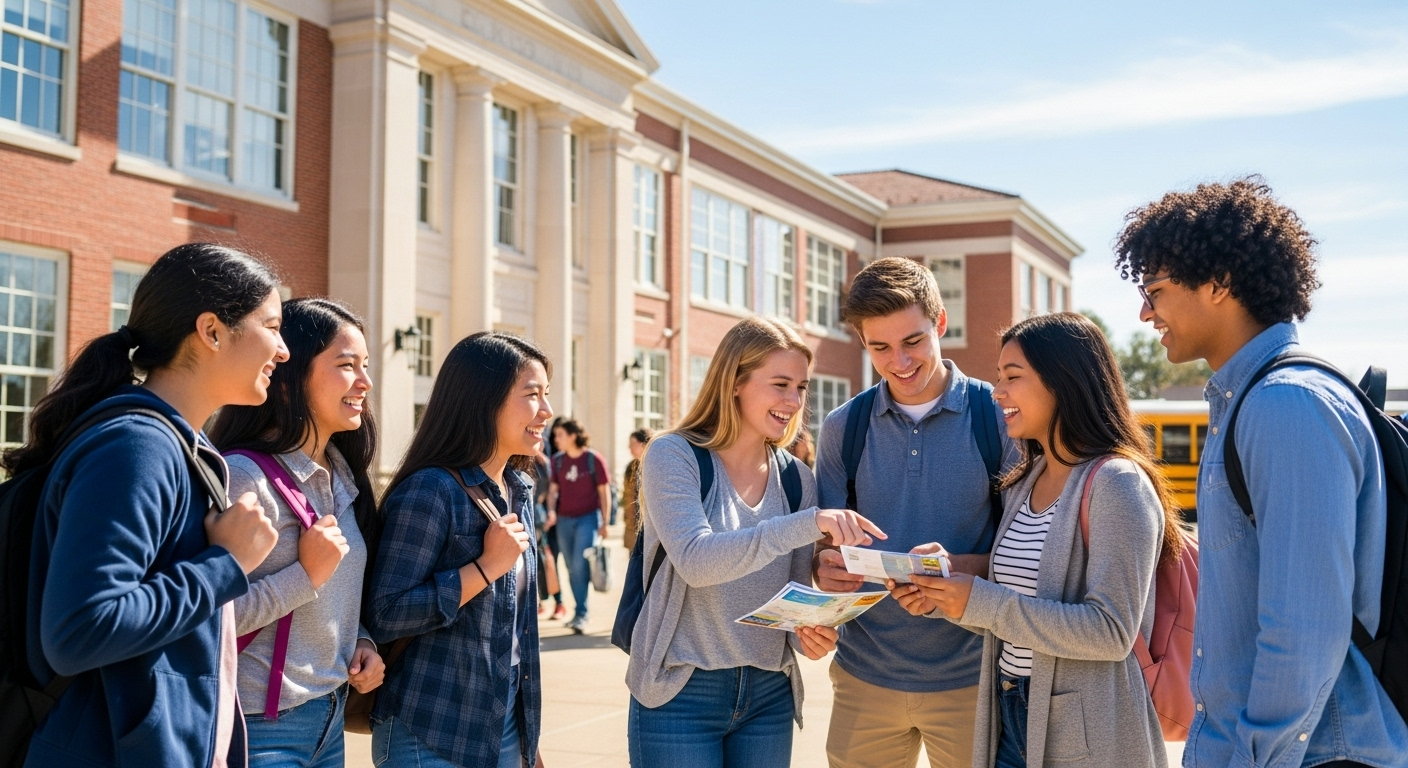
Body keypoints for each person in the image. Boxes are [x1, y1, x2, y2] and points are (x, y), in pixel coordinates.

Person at [1114, 178, 1408, 768]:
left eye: (1157, 291)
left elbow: (1304, 630)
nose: (1146, 313)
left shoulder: (1284, 406)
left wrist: (1256, 756)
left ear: (1219, 283)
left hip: (1316, 752)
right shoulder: (1254, 400)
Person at [16, 243, 287, 767]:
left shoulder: (173, 446)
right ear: (210, 331)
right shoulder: (137, 447)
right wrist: (224, 565)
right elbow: (80, 628)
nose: (283, 350)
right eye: (271, 326)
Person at [891, 312, 1178, 767]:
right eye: (998, 376)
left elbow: (1110, 632)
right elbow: (1016, 603)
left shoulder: (1117, 483)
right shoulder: (1027, 479)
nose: (998, 391)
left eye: (1012, 377)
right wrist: (947, 592)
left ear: (1062, 382)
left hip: (1084, 731)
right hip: (1009, 714)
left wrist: (980, 601)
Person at [626, 316, 886, 768]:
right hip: (681, 690)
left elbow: (791, 593)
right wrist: (809, 522)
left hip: (769, 694)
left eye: (801, 388)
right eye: (780, 384)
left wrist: (815, 633)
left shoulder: (795, 478)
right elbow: (696, 561)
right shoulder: (673, 455)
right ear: (735, 384)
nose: (794, 401)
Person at [812, 256, 1011, 768]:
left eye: (913, 341)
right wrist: (824, 570)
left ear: (940, 323)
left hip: (973, 675)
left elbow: (1027, 553)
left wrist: (953, 571)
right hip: (864, 674)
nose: (898, 361)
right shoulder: (843, 427)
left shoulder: (1002, 418)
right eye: (879, 347)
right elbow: (825, 547)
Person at [209, 298, 386, 766]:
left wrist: (361, 639)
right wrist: (306, 575)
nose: (364, 382)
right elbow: (209, 615)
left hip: (330, 718)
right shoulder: (244, 477)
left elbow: (334, 593)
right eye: (346, 365)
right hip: (260, 725)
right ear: (289, 380)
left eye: (365, 366)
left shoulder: (345, 478)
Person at [365, 331, 546, 768]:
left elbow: (515, 635)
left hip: (502, 729)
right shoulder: (432, 490)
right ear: (484, 401)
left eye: (547, 395)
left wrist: (527, 740)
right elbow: (386, 613)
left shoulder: (519, 490)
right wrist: (485, 568)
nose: (547, 411)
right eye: (532, 395)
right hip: (431, 734)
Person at [545, 418, 610, 633]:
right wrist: (552, 511)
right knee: (571, 568)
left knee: (580, 564)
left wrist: (605, 522)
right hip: (564, 520)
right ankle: (578, 612)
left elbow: (604, 492)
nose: (556, 439)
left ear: (573, 435)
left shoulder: (593, 459)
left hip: (588, 519)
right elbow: (553, 490)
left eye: (560, 434)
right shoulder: (557, 461)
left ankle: (582, 613)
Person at [531, 445, 564, 618]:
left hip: (539, 517)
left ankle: (559, 602)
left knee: (546, 561)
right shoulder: (521, 459)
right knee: (535, 563)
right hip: (535, 515)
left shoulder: (545, 463)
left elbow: (553, 487)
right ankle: (539, 603)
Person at [622, 428, 652, 551]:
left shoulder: (656, 466)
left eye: (633, 445)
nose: (630, 449)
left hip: (651, 529)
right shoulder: (631, 468)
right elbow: (627, 499)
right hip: (634, 528)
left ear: (644, 444)